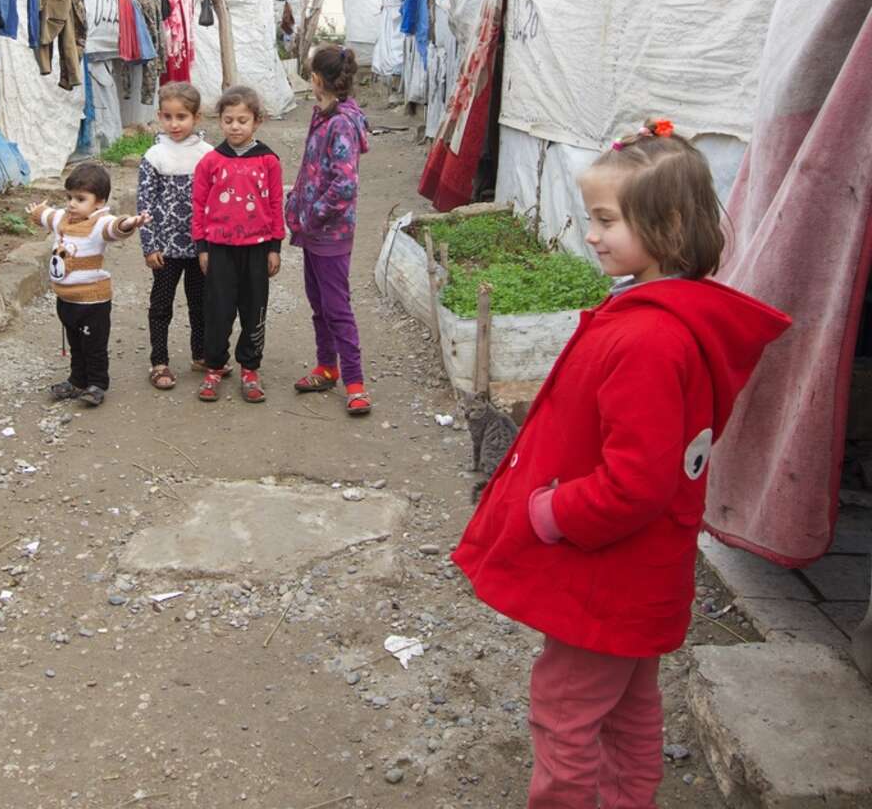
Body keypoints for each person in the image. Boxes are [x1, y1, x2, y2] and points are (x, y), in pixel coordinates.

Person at [451, 120, 791, 808]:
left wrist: (549, 512)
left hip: (602, 573)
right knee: (630, 707)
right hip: (640, 574)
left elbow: (636, 481)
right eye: (592, 217)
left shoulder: (648, 337)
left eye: (607, 219)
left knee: (565, 711)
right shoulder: (669, 317)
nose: (593, 233)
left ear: (665, 224)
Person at [286, 45, 372, 416]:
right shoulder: (323, 114)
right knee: (319, 305)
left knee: (337, 309)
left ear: (318, 80)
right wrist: (297, 205)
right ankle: (326, 367)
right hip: (316, 232)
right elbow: (313, 169)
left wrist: (310, 216)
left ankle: (356, 384)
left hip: (330, 233)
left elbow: (345, 185)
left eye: (310, 75)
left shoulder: (339, 123)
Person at [27, 163, 147, 408]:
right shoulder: (63, 218)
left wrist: (129, 223)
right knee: (76, 344)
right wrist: (38, 211)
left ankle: (97, 384)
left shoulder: (98, 223)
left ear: (99, 202)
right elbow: (48, 216)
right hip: (66, 299)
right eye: (69, 197)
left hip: (93, 302)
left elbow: (115, 228)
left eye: (80, 199)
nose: (72, 203)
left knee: (94, 346)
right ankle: (77, 380)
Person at [192, 85, 284, 403]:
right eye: (228, 119)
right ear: (220, 121)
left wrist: (275, 247)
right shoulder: (211, 161)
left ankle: (250, 368)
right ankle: (215, 367)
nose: (235, 126)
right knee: (218, 310)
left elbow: (275, 204)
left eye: (242, 120)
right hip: (219, 249)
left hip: (257, 249)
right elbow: (199, 204)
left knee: (253, 309)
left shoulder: (268, 160)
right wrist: (202, 247)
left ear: (256, 121)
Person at [136, 82, 213, 390]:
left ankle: (201, 353)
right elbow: (145, 203)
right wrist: (149, 244)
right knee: (161, 305)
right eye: (167, 116)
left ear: (197, 117)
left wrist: (213, 244)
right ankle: (160, 361)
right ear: (159, 116)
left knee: (201, 303)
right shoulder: (154, 156)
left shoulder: (208, 155)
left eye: (181, 116)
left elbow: (216, 202)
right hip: (166, 248)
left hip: (200, 248)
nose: (174, 123)